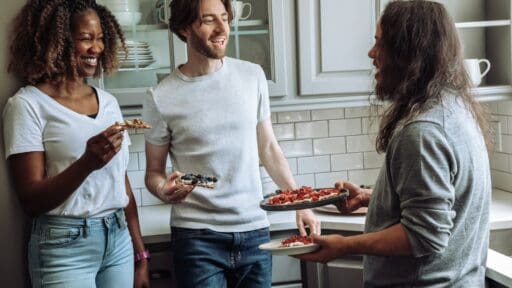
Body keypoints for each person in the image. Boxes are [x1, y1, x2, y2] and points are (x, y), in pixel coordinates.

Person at [295, 1, 492, 287]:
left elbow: (424, 235)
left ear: (407, 52)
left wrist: (347, 245)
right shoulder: (456, 110)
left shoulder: (423, 132)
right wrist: (369, 197)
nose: (371, 53)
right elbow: (437, 203)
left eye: (380, 43)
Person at [142, 0, 320, 286]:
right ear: (185, 28)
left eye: (225, 17)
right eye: (209, 20)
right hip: (197, 237)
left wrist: (300, 203)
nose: (223, 28)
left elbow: (269, 149)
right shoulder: (161, 96)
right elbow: (153, 173)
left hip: (254, 231)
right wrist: (164, 190)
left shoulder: (252, 76)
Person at [3, 1, 149, 287]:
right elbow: (31, 201)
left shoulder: (108, 103)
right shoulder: (27, 105)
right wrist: (87, 163)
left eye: (100, 39)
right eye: (85, 39)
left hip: (117, 239)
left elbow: (122, 183)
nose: (97, 49)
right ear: (57, 41)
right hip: (63, 247)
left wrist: (140, 254)